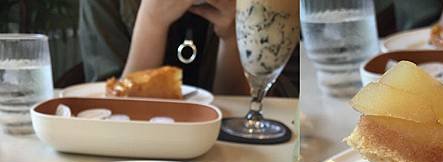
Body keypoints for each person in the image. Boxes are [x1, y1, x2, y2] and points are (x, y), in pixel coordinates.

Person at [79, 0, 297, 96]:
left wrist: (233, 35)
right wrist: (152, 22)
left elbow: (245, 116)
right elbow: (108, 110)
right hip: (130, 152)